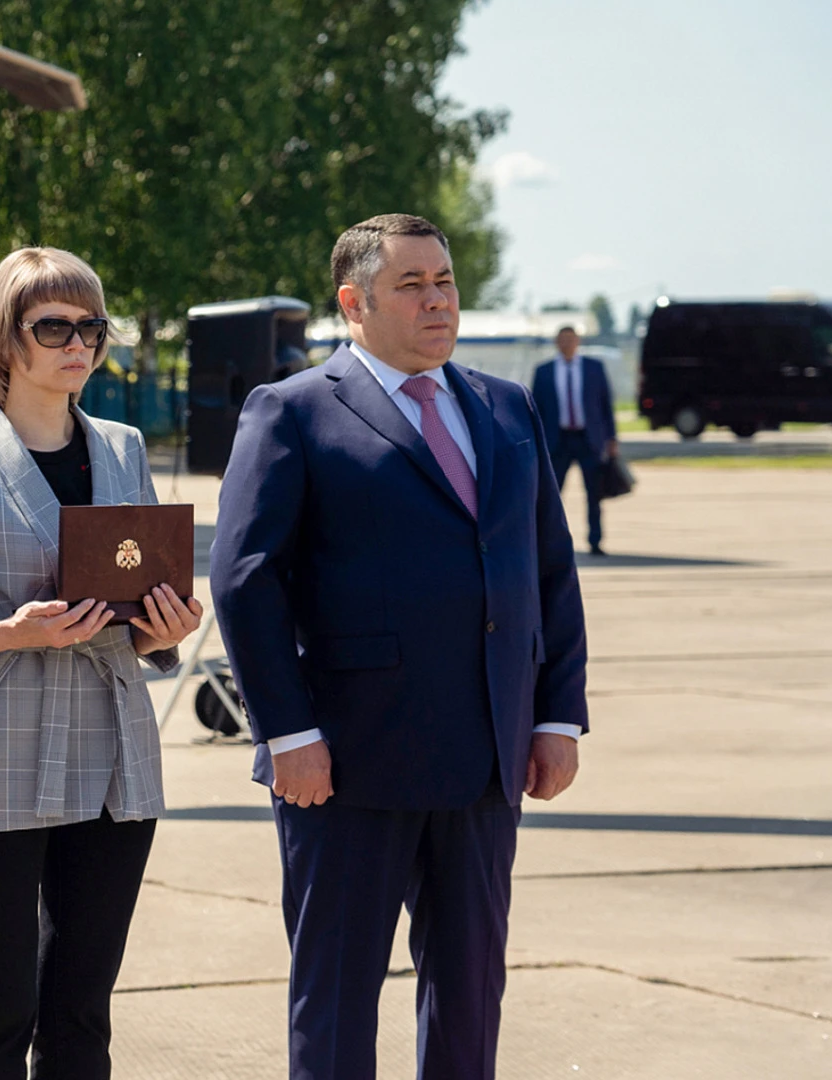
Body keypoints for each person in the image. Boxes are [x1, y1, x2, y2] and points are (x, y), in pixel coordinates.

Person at [210, 214, 590, 1080]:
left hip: (487, 760)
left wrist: (558, 715)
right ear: (354, 303)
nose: (436, 301)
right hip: (348, 767)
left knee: (468, 996)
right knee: (337, 997)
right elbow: (245, 580)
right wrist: (287, 734)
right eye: (412, 285)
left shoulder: (506, 407)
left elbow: (549, 573)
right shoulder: (294, 411)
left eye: (445, 282)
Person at [0, 248, 205, 1080]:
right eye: (52, 325)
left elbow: (134, 614)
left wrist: (165, 626)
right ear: (4, 338)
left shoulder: (126, 447)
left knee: (80, 1015)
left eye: (91, 326)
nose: (78, 343)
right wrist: (14, 631)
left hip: (115, 757)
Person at [532, 326, 618, 555]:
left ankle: (595, 541)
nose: (567, 343)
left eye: (571, 339)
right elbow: (535, 410)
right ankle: (548, 543)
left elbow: (605, 405)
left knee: (594, 494)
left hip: (588, 440)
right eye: (563, 339)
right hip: (557, 441)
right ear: (556, 342)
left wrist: (611, 439)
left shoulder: (593, 369)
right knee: (551, 495)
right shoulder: (544, 371)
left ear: (578, 341)